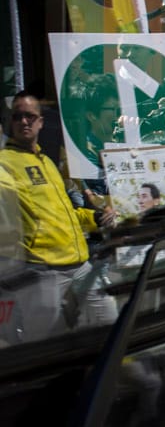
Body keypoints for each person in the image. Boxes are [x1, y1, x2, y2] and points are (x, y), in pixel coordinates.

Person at [0, 92, 115, 344]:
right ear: (10, 123)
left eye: (30, 116)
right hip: (43, 272)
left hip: (80, 265)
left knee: (110, 325)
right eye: (17, 116)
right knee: (48, 346)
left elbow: (64, 213)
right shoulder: (4, 164)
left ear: (41, 121)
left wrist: (94, 217)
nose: (24, 122)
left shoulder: (48, 163)